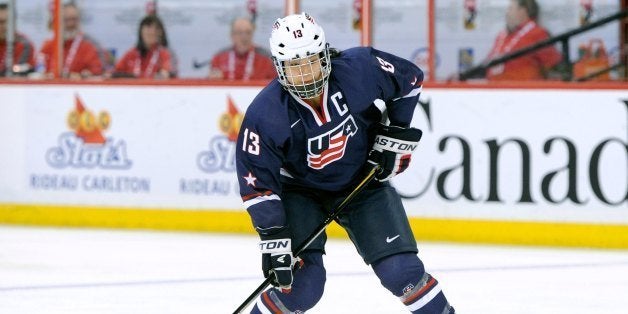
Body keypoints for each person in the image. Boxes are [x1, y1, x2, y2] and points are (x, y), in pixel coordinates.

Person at [235, 12, 455, 313]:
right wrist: (273, 238)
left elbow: (409, 79)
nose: (306, 74)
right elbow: (258, 184)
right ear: (279, 67)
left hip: (362, 182)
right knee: (301, 287)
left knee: (402, 272)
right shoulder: (266, 114)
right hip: (300, 192)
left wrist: (395, 133)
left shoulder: (359, 69)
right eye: (295, 66)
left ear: (325, 55)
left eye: (311, 61)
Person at [483, 0, 562, 81]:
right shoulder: (502, 35)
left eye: (510, 9)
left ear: (523, 11)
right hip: (494, 89)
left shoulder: (537, 33)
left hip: (523, 90)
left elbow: (554, 66)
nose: (507, 13)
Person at [39, 2, 106, 79]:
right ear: (57, 21)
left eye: (74, 19)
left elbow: (98, 74)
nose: (71, 24)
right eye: (66, 20)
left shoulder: (89, 45)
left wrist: (82, 76)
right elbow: (39, 69)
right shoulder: (49, 45)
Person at [208, 17, 275, 81]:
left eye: (248, 33)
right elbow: (209, 86)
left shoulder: (266, 58)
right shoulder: (219, 58)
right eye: (240, 33)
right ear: (232, 35)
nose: (244, 37)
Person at [114, 14, 177, 79]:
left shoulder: (165, 53)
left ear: (161, 33)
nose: (152, 32)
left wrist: (162, 75)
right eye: (148, 28)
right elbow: (115, 74)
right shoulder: (131, 53)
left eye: (156, 29)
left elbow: (166, 74)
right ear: (141, 31)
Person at [0, 3, 35, 76]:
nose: (3, 26)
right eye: (0, 22)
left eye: (6, 22)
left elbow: (19, 75)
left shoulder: (24, 45)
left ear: (14, 22)